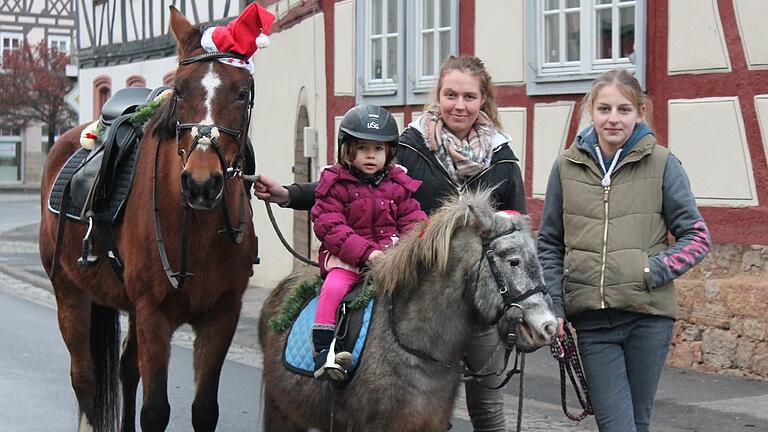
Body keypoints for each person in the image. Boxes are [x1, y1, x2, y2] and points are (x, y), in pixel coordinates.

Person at [255, 55, 524, 431]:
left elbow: (514, 233)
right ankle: (328, 356)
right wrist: (289, 194)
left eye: (468, 97)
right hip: (418, 290)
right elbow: (347, 188)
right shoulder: (410, 148)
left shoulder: (503, 158)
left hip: (475, 300)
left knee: (487, 405)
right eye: (450, 95)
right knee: (396, 392)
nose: (458, 105)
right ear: (439, 96)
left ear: (484, 101)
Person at [537, 69, 711, 432]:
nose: (613, 118)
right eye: (604, 109)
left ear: (640, 112)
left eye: (623, 109)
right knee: (617, 426)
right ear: (591, 112)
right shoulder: (566, 167)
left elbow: (697, 236)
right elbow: (550, 242)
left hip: (648, 318)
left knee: (637, 422)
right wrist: (554, 305)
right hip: (592, 322)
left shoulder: (663, 164)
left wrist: (650, 271)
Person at [310, 104, 428, 381]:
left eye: (378, 149)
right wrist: (366, 254)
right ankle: (324, 352)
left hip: (391, 256)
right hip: (348, 257)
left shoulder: (398, 184)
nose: (371, 155)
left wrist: (411, 248)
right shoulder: (335, 184)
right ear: (348, 150)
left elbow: (413, 218)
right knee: (333, 288)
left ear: (388, 152)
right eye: (363, 148)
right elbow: (330, 225)